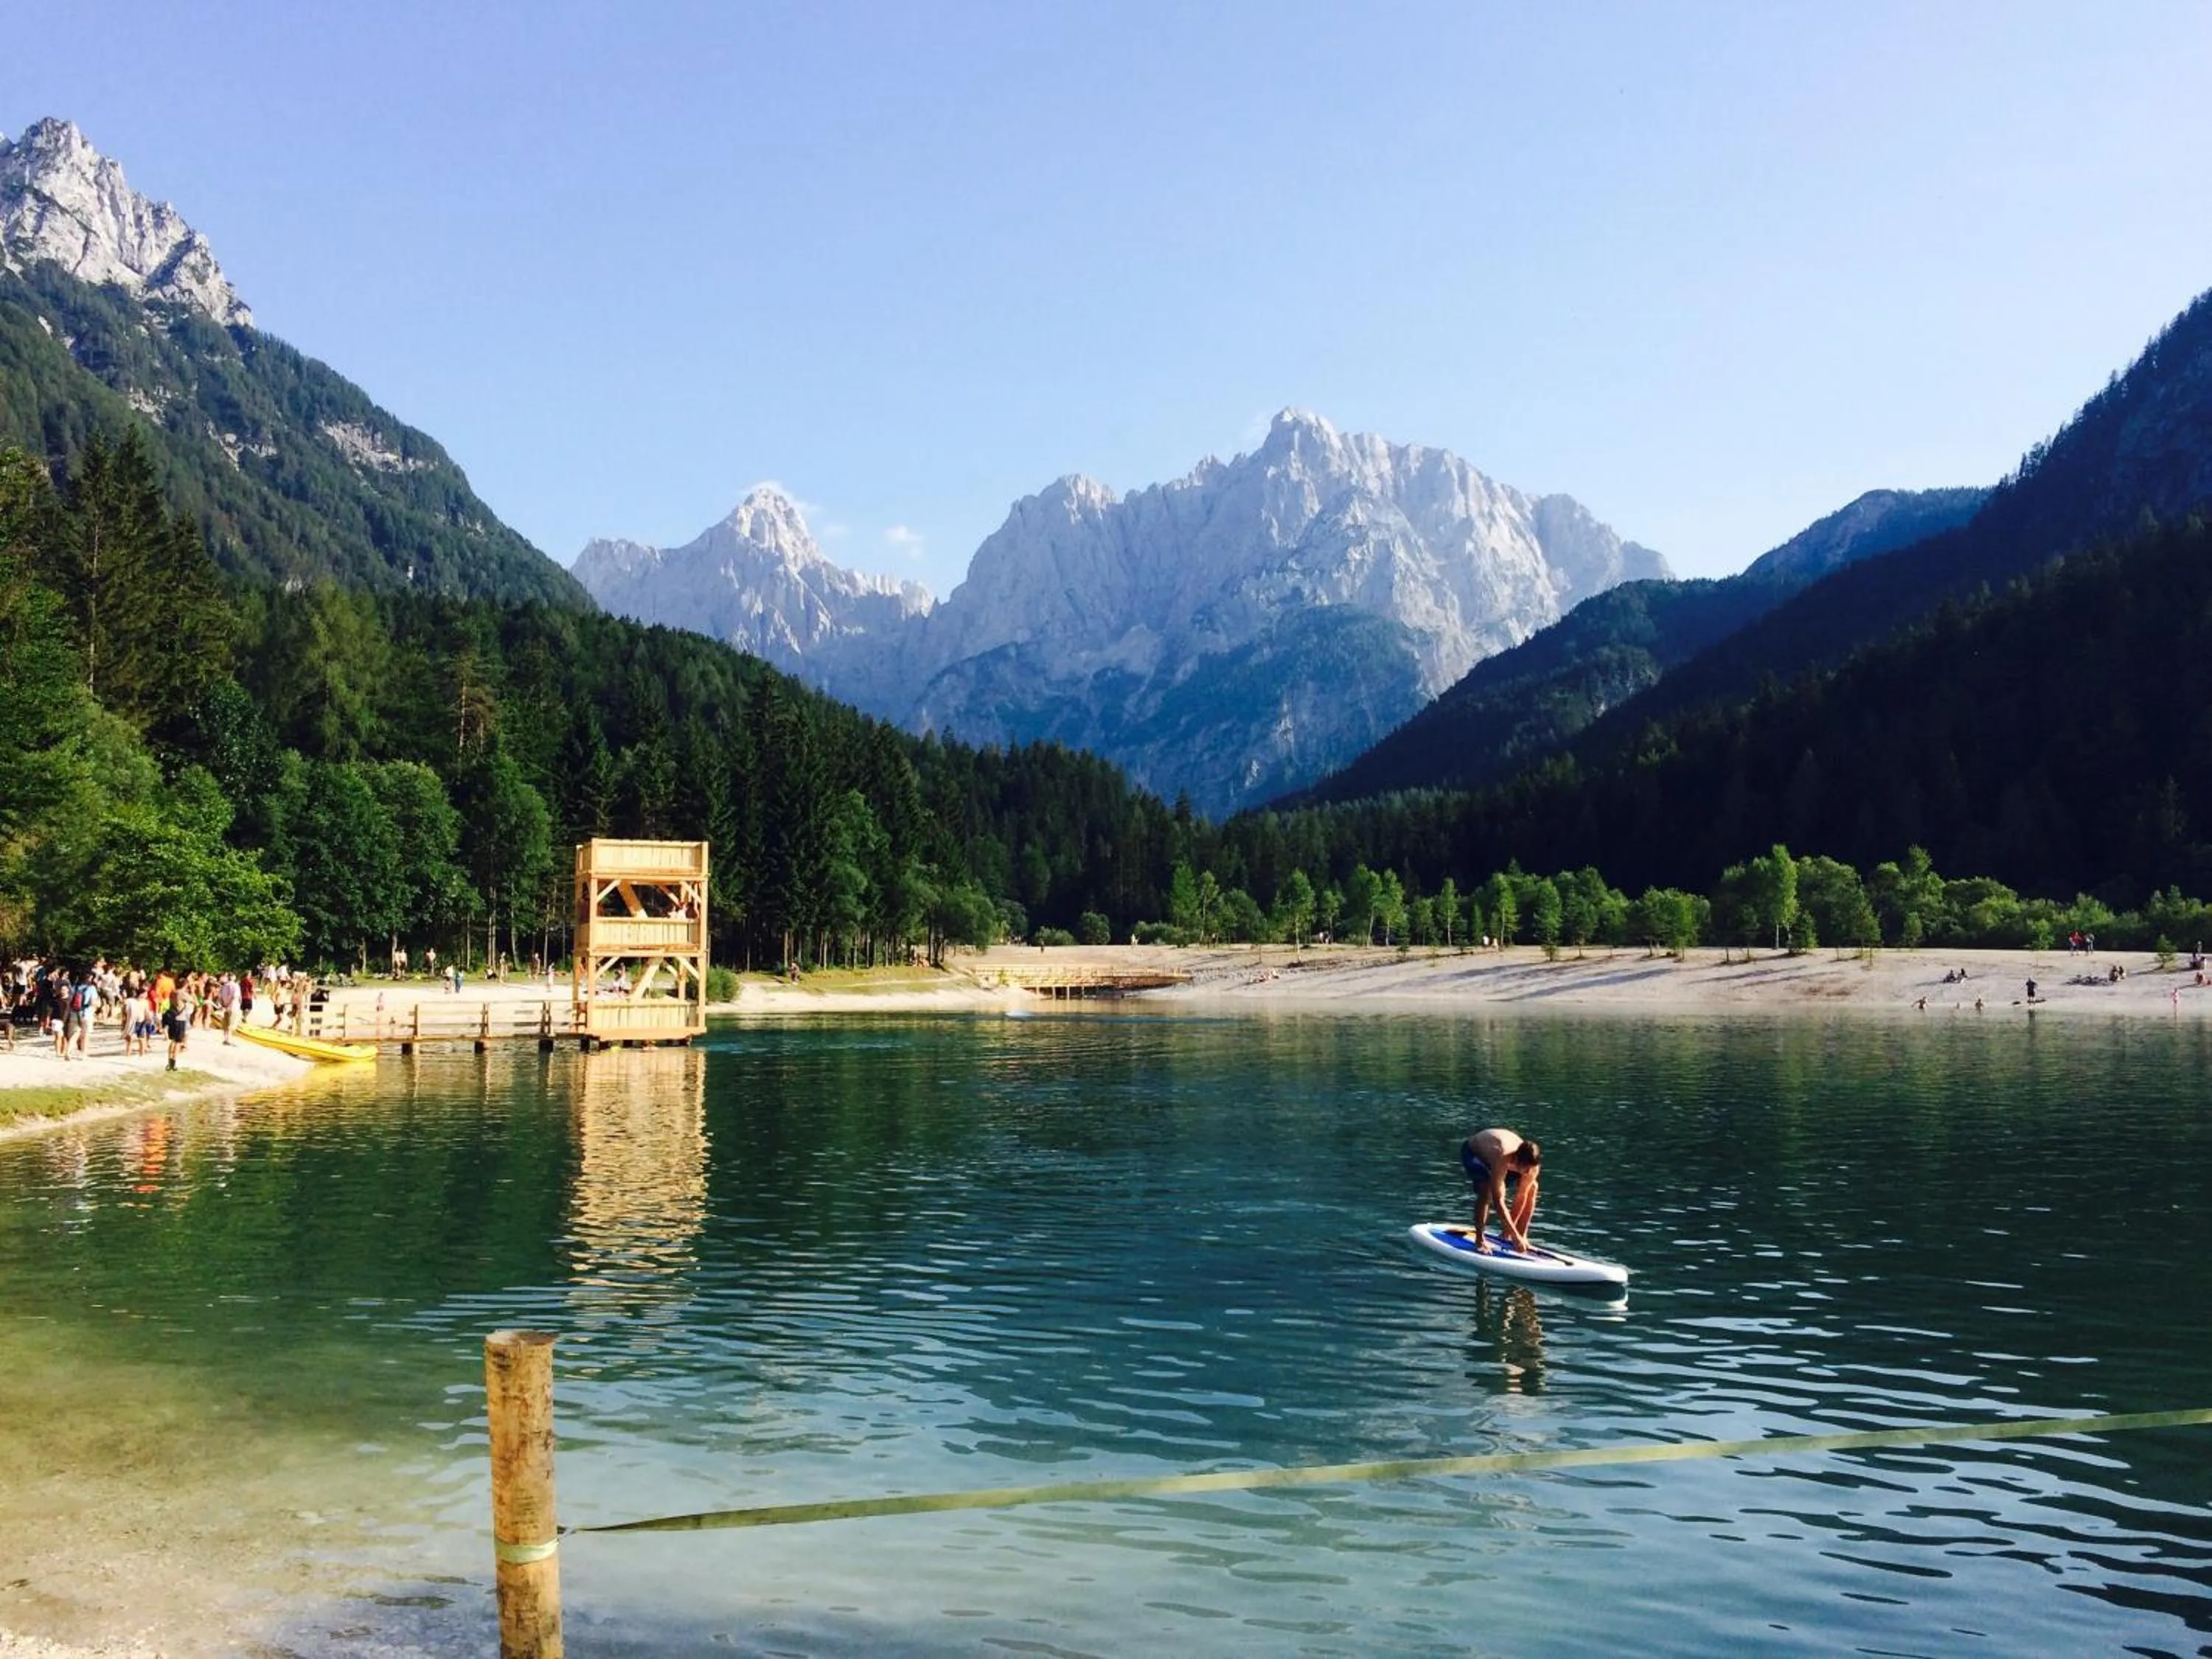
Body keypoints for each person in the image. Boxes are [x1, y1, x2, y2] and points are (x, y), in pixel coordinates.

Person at [1461, 1127, 1542, 1252]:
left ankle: (1518, 1236)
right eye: (1525, 1168)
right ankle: (1479, 1240)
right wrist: (1515, 1235)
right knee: (1487, 1190)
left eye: (1530, 1168)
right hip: (1475, 1153)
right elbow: (1498, 1201)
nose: (1527, 1172)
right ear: (1517, 1161)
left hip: (1505, 1156)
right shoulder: (1502, 1156)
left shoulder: (1533, 1167)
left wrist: (1515, 1235)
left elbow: (1522, 1197)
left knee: (1532, 1187)